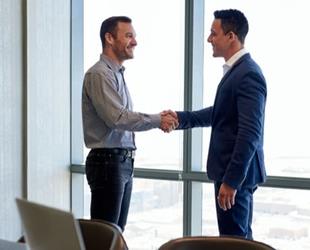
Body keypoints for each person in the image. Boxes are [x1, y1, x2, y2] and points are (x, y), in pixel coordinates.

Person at [172, 9, 267, 239]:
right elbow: (221, 113)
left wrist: (231, 181)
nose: (209, 39)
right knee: (240, 240)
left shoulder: (247, 74)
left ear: (231, 36)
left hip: (234, 177)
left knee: (234, 241)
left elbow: (250, 133)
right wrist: (181, 118)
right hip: (232, 175)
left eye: (213, 34)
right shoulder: (237, 72)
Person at [81, 16, 177, 231]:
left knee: (115, 234)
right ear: (109, 38)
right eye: (129, 35)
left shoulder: (116, 74)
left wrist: (159, 119)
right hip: (108, 162)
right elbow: (117, 118)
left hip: (120, 162)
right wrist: (158, 120)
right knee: (105, 237)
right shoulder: (99, 74)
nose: (135, 42)